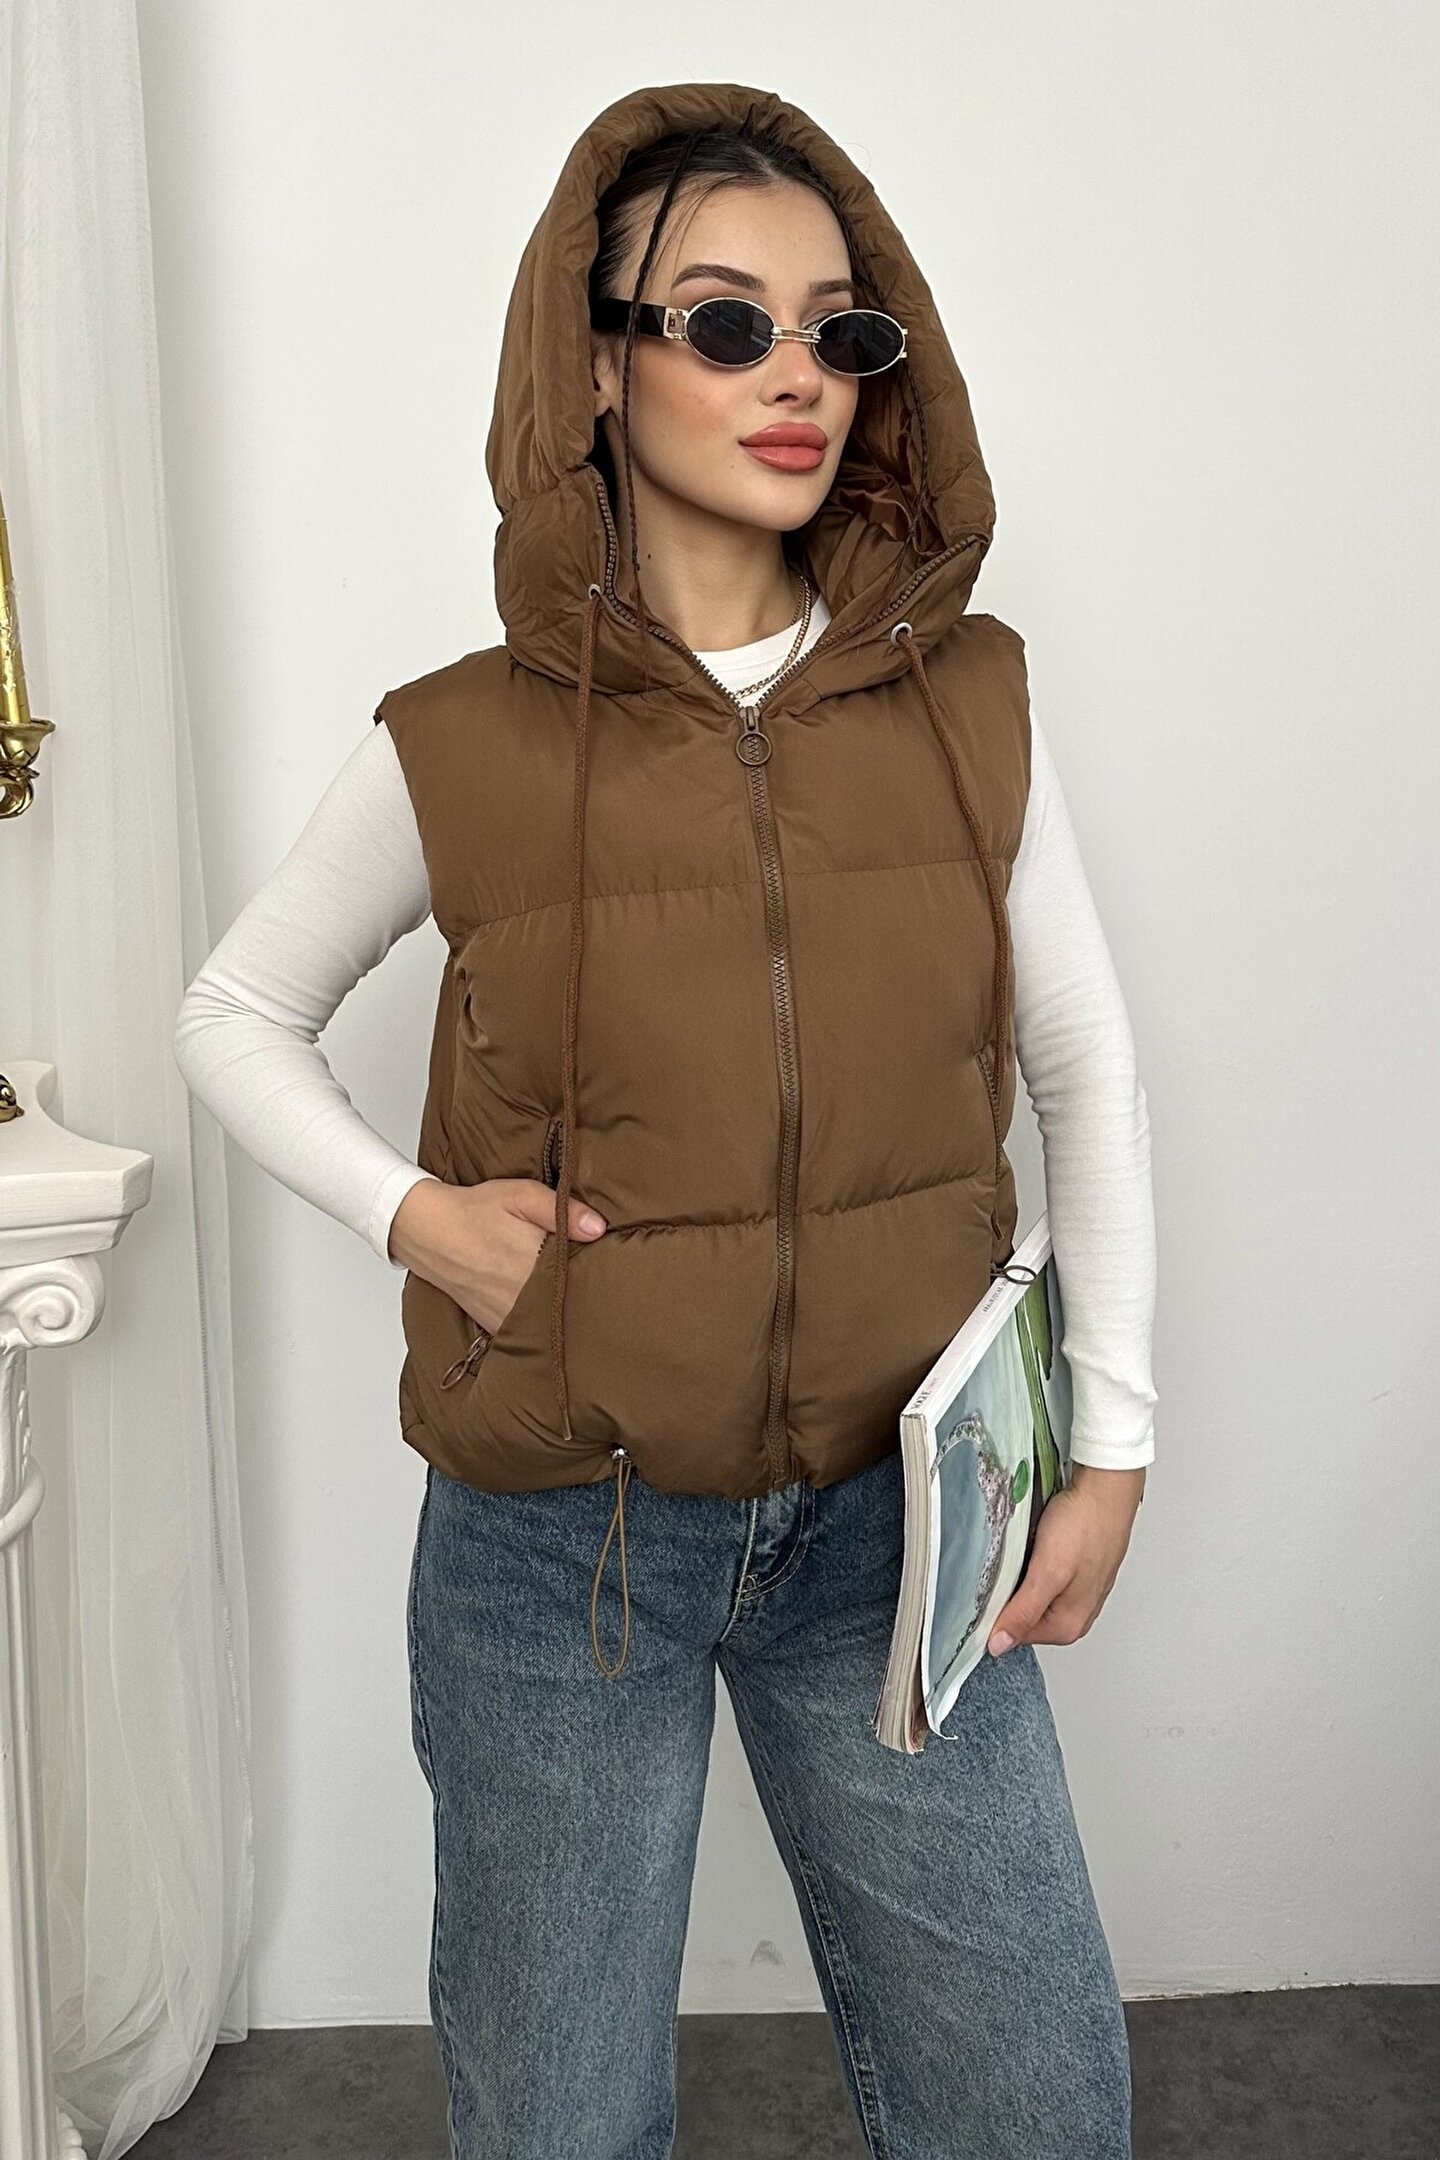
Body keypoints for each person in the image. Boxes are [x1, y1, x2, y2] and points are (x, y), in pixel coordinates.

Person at [175, 81, 1156, 2160]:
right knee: (562, 2119)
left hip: (902, 1512)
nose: (794, 375)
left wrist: (1115, 1442)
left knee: (1035, 2103)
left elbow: (1084, 1062)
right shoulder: (460, 741)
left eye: (837, 331)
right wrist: (414, 1213)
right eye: (723, 323)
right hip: (569, 1536)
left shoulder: (969, 700)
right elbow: (237, 1013)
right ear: (599, 365)